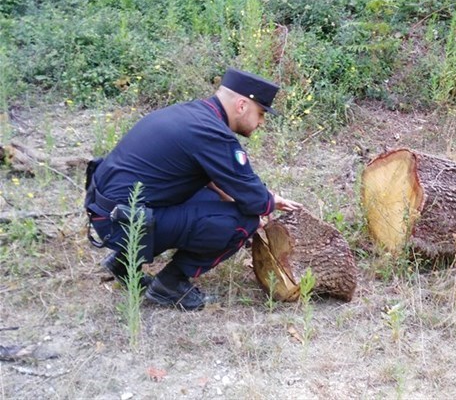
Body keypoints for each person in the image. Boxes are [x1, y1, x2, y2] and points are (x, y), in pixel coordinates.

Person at [84, 67, 302, 311]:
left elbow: (217, 180)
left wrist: (264, 198)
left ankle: (123, 263)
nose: (262, 122)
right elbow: (254, 200)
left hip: (110, 213)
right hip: (123, 223)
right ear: (242, 105)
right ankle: (170, 284)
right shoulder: (211, 132)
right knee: (244, 220)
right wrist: (267, 203)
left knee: (216, 199)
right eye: (261, 113)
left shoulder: (193, 114)